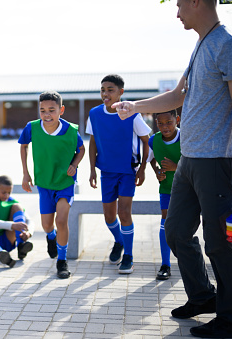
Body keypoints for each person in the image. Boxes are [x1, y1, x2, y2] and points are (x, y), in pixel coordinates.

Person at [113, 1, 232, 336]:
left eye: (181, 4)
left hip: (216, 161)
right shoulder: (201, 44)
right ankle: (202, 297)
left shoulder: (229, 46)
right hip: (190, 160)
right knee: (176, 231)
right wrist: (135, 106)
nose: (177, 11)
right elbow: (177, 95)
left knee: (218, 243)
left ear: (198, 1)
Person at [86, 74, 151, 274]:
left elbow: (146, 141)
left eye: (110, 90)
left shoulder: (132, 113)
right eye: (103, 89)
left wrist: (142, 169)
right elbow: (93, 142)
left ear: (121, 92)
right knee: (108, 216)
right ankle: (119, 241)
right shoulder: (95, 114)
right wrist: (91, 170)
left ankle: (128, 256)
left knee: (124, 213)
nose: (105, 93)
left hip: (127, 171)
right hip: (106, 171)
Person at [19, 91, 85, 279]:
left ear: (61, 110)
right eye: (42, 110)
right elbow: (23, 146)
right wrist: (25, 174)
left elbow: (81, 149)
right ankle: (51, 237)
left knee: (61, 220)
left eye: (51, 110)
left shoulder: (71, 130)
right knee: (47, 225)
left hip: (65, 183)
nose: (47, 115)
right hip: (44, 183)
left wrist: (74, 164)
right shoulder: (32, 128)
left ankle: (61, 261)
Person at [147, 110, 180, 280]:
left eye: (169, 122)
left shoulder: (186, 138)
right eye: (161, 123)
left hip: (189, 189)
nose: (165, 126)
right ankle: (165, 264)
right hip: (167, 188)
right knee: (165, 222)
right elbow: (151, 159)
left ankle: (185, 261)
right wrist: (157, 171)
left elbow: (196, 163)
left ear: (178, 120)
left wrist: (177, 167)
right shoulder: (154, 140)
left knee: (185, 227)